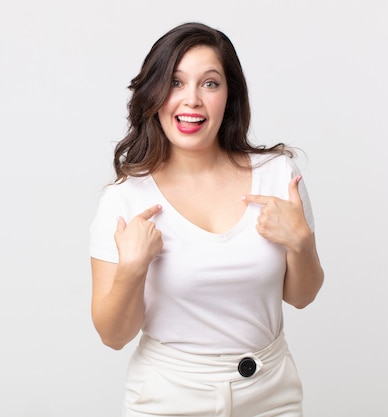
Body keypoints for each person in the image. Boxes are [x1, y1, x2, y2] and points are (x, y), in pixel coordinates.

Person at [89, 22, 324, 417]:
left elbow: (302, 295)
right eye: (176, 83)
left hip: (271, 392)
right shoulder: (125, 199)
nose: (192, 100)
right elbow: (113, 336)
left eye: (210, 84)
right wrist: (132, 268)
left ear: (229, 95)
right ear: (155, 96)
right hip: (169, 396)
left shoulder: (279, 175)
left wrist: (300, 243)